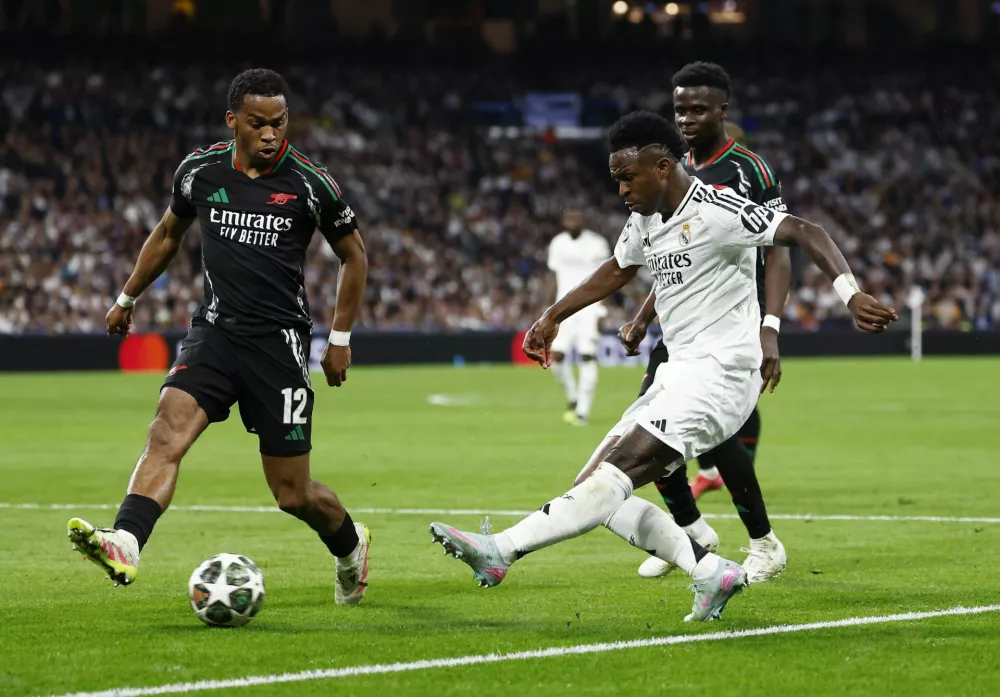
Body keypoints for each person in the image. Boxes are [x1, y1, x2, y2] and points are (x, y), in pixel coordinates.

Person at [429, 110, 896, 622]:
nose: (622, 189)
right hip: (679, 371)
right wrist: (551, 316)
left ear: (663, 167)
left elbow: (805, 231)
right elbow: (617, 269)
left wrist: (849, 295)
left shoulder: (719, 211)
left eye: (629, 177)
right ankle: (707, 570)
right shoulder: (645, 220)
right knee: (593, 488)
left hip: (721, 373)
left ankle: (500, 551)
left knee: (613, 476)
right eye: (617, 179)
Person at [66, 68, 373, 606]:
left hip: (278, 345)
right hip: (214, 332)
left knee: (292, 493)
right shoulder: (200, 171)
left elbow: (355, 255)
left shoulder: (310, 183)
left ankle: (351, 546)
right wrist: (126, 297)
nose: (272, 134)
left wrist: (340, 337)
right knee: (166, 433)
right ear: (234, 121)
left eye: (280, 123)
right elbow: (168, 235)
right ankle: (126, 543)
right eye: (258, 124)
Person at [615, 61, 792, 581]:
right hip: (678, 324)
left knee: (713, 437)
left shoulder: (749, 171)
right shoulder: (666, 166)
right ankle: (692, 532)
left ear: (721, 110)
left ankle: (763, 543)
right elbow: (666, 254)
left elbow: (782, 247)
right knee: (648, 423)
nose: (687, 117)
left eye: (697, 108)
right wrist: (645, 316)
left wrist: (771, 327)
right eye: (680, 109)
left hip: (731, 321)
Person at [546, 210, 611, 426]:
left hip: (589, 308)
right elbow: (554, 277)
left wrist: (602, 310)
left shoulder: (597, 244)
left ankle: (582, 412)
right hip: (564, 307)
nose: (572, 221)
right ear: (564, 221)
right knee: (556, 356)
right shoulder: (557, 243)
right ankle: (573, 398)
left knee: (587, 356)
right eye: (569, 218)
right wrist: (548, 311)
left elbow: (609, 278)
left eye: (577, 218)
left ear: (584, 220)